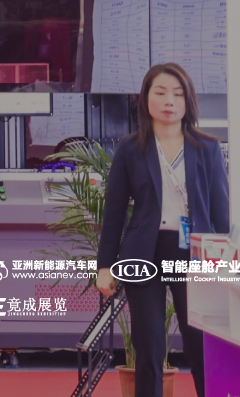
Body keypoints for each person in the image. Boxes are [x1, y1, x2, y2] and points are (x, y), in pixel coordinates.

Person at [96, 63, 228, 397]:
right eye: (161, 92)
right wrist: (105, 265)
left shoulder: (207, 148)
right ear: (145, 98)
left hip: (193, 255)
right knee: (149, 345)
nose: (169, 100)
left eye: (178, 94)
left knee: (200, 345)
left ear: (188, 101)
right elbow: (114, 213)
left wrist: (228, 263)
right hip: (145, 252)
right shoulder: (130, 149)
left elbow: (221, 212)